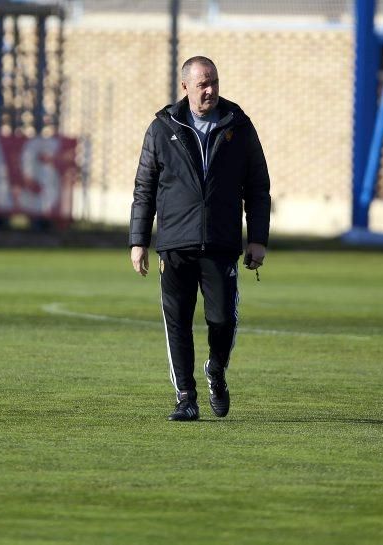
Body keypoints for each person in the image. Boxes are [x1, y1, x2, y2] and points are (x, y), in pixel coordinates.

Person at [129, 56, 271, 421]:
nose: (210, 90)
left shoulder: (238, 125)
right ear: (185, 87)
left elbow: (257, 186)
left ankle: (216, 370)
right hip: (174, 243)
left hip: (221, 243)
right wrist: (138, 240)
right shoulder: (162, 128)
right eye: (202, 84)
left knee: (222, 319)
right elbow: (144, 187)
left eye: (214, 82)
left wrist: (257, 238)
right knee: (177, 323)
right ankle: (185, 398)